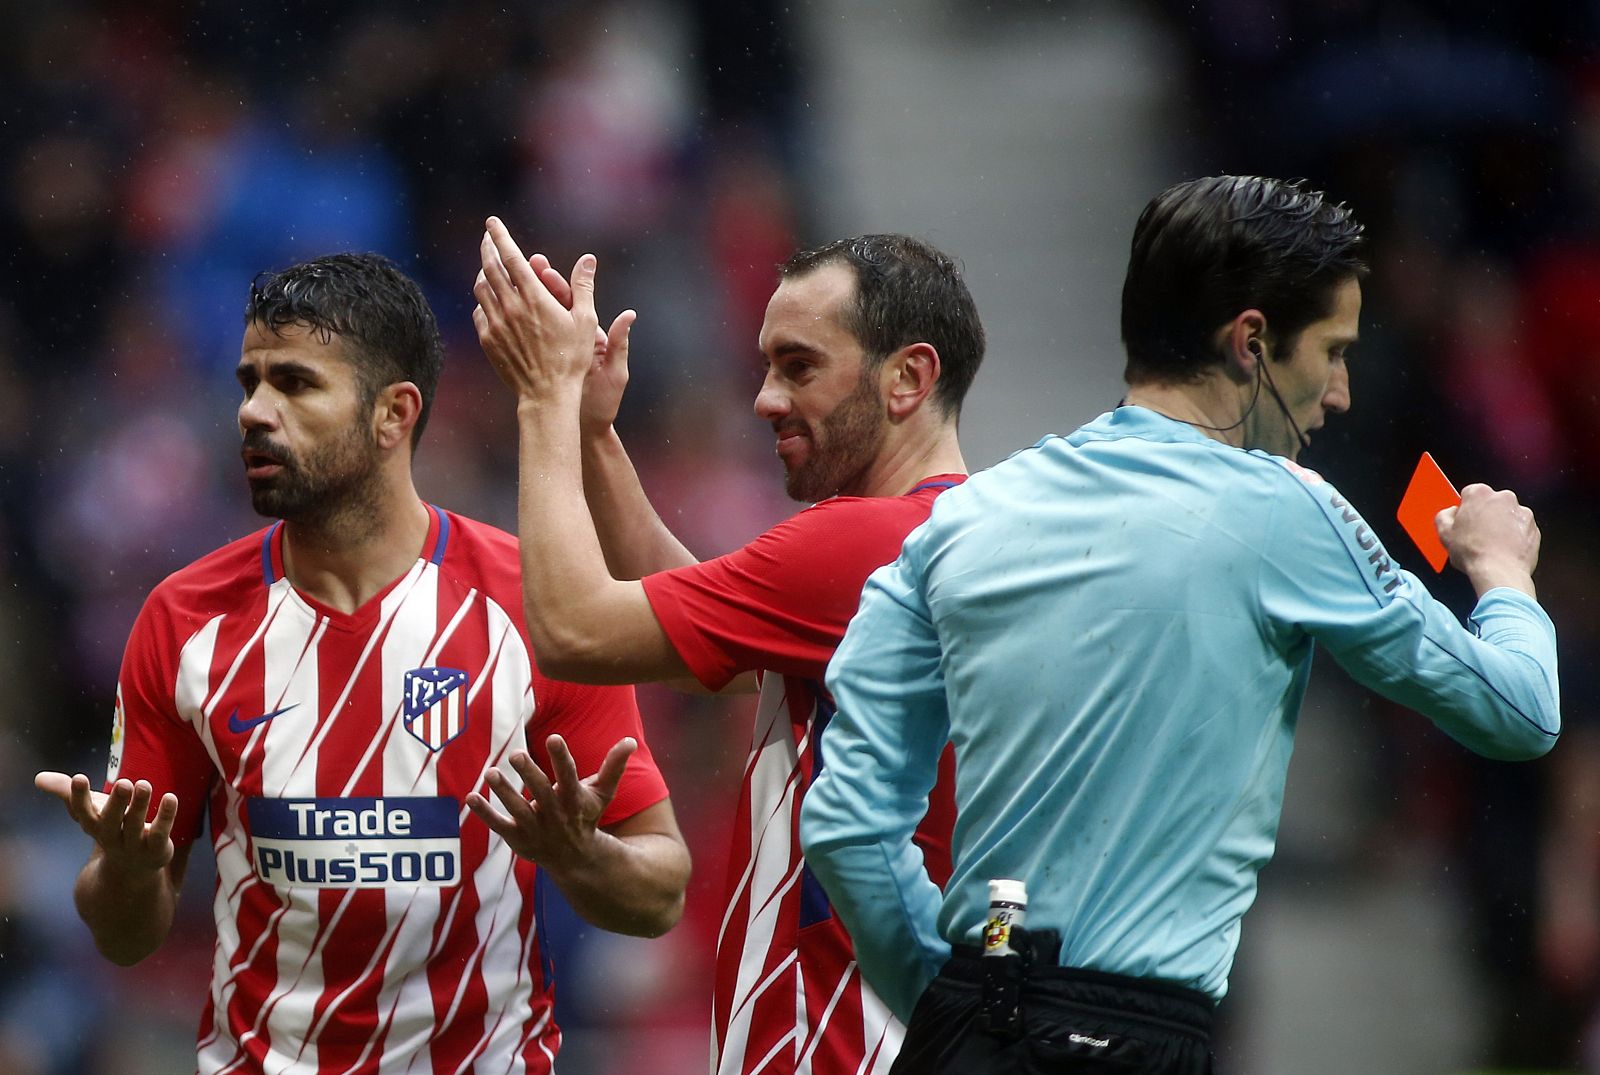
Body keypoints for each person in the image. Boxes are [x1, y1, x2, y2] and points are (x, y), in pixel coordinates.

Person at [800, 174, 1563, 1073]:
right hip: (1133, 1037)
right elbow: (1521, 713)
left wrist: (949, 998)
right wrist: (1502, 571)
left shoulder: (957, 526)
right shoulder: (1286, 510)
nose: (1343, 393)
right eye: (1332, 351)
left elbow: (846, 822)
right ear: (1252, 343)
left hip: (969, 1020)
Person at [34, 252, 690, 1074]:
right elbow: (125, 936)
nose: (253, 412)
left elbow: (661, 890)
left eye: (296, 384)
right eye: (250, 383)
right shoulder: (185, 617)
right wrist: (128, 870)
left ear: (394, 414)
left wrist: (579, 854)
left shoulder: (530, 609)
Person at [471, 218, 984, 1074]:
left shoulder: (863, 545)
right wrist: (596, 436)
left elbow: (572, 628)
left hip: (837, 1041)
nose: (766, 399)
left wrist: (542, 400)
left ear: (909, 377)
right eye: (767, 366)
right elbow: (720, 652)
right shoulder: (954, 534)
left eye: (800, 365)